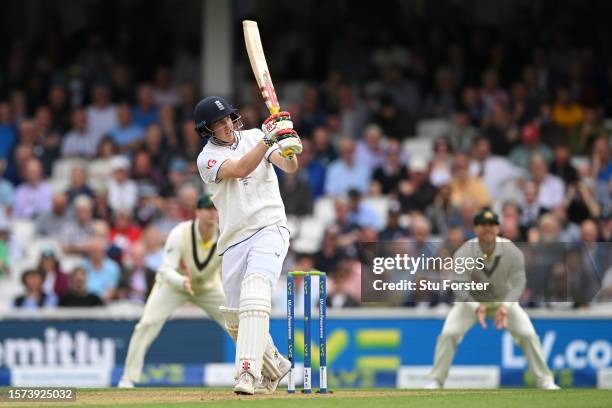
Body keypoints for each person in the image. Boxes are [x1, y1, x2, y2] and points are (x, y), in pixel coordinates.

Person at [195, 96, 302, 395]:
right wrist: (270, 138)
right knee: (234, 318)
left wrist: (288, 145)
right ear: (207, 129)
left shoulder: (255, 136)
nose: (227, 124)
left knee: (256, 291)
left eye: (228, 118)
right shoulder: (206, 159)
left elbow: (289, 167)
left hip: (269, 227)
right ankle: (276, 366)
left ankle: (246, 373)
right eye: (218, 123)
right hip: (233, 239)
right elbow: (241, 168)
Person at [426, 209, 560, 390]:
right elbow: (459, 285)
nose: (487, 229)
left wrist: (505, 306)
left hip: (503, 303)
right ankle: (436, 380)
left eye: (491, 225)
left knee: (528, 334)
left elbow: (519, 283)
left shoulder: (511, 250)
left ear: (498, 228)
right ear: (476, 228)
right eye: (483, 225)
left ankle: (545, 381)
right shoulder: (465, 252)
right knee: (449, 333)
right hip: (471, 304)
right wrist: (475, 307)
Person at [118, 195, 228, 388]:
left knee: (237, 322)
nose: (212, 213)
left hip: (207, 287)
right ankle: (128, 378)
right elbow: (165, 268)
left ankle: (261, 370)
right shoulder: (180, 233)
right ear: (197, 212)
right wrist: (181, 281)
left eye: (215, 208)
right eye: (207, 208)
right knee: (147, 323)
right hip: (173, 285)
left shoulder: (225, 234)